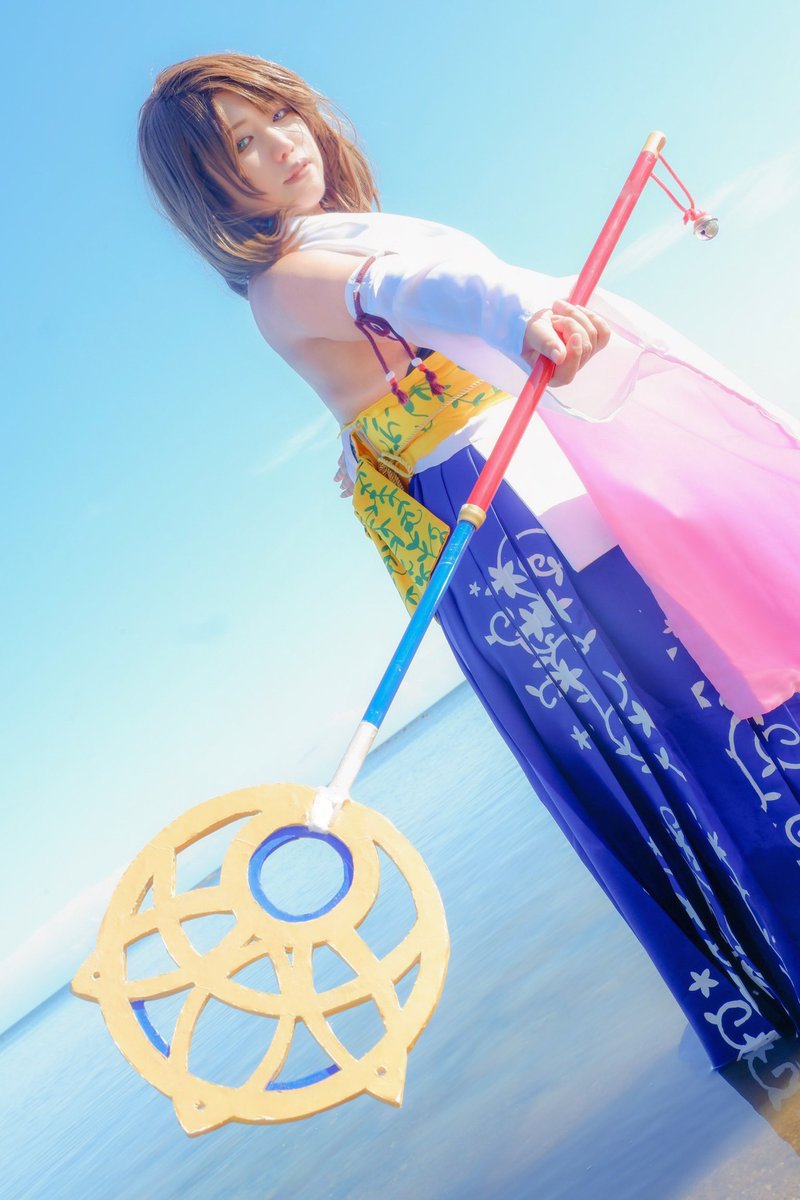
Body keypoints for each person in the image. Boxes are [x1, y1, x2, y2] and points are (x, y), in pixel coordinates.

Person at [137, 51, 800, 1069]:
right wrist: (513, 316)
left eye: (278, 116)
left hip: (534, 496)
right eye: (241, 145)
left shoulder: (340, 237)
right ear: (209, 191)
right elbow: (414, 289)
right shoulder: (288, 279)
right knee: (677, 718)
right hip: (515, 537)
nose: (280, 146)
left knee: (707, 687)